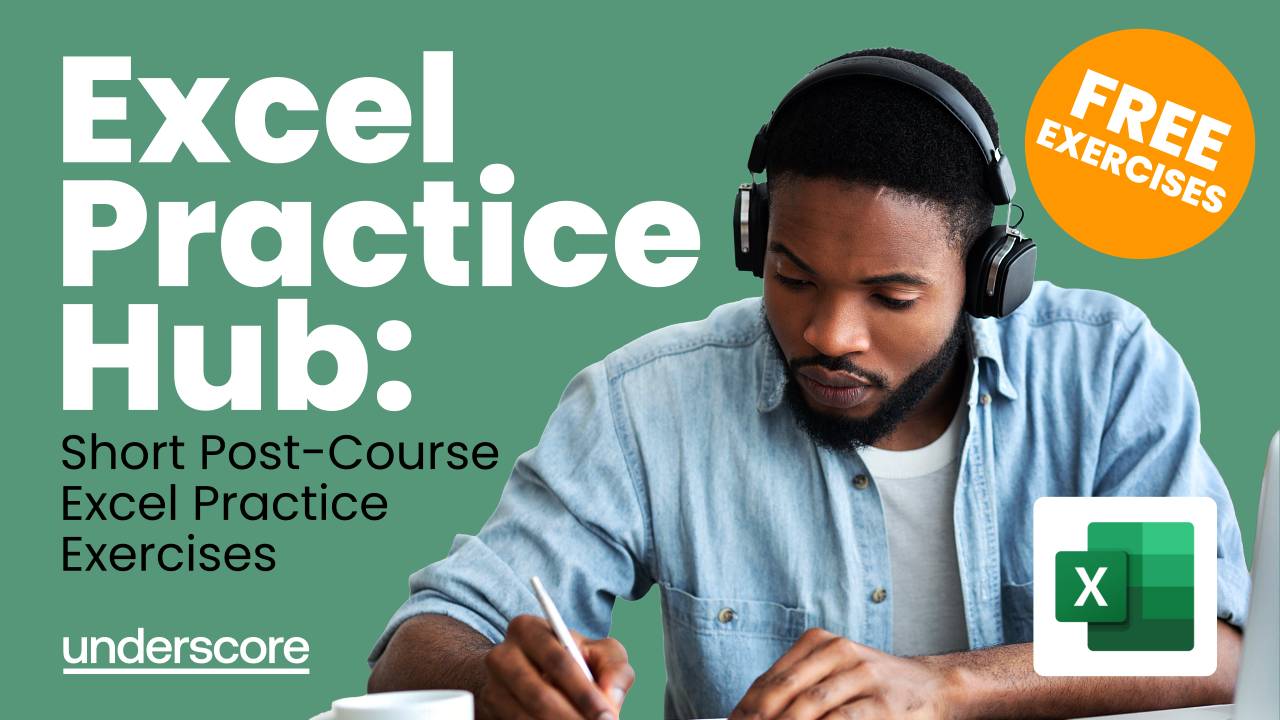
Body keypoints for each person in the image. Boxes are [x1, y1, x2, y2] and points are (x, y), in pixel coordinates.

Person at [366, 47, 1250, 720]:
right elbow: (419, 644)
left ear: (988, 279)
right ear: (756, 243)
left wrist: (943, 688)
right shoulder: (649, 404)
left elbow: (1205, 646)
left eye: (892, 296)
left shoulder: (1096, 374)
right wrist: (496, 677)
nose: (830, 334)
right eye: (792, 278)